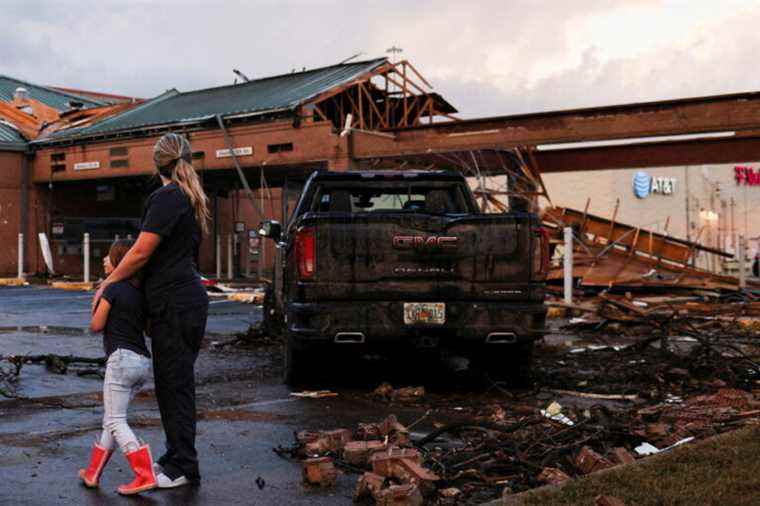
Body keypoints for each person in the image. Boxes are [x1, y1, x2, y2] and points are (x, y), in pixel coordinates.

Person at [93, 132, 210, 488]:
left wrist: (109, 282)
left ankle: (183, 467)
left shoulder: (167, 197)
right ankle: (175, 457)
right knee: (173, 384)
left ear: (157, 162)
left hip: (176, 304)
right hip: (181, 302)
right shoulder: (186, 197)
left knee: (174, 386)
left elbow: (142, 252)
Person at [79, 239, 156, 495]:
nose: (104, 260)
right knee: (110, 420)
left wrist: (99, 295)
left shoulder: (112, 288)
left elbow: (96, 325)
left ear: (119, 262)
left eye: (108, 257)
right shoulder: (140, 292)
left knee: (115, 420)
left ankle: (144, 474)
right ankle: (92, 473)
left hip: (121, 360)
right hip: (141, 362)